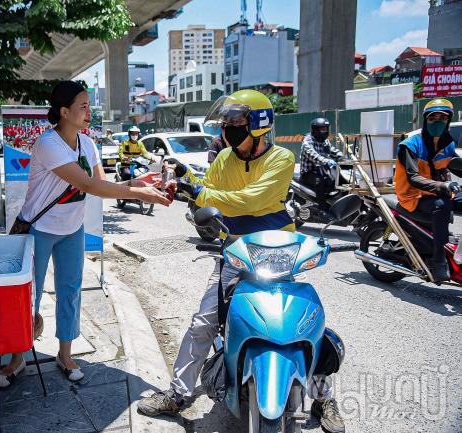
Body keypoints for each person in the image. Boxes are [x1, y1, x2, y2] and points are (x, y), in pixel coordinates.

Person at [137, 90, 346, 433]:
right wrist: (185, 179)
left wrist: (199, 192)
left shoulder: (281, 158)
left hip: (281, 256)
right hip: (234, 251)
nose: (230, 128)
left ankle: (324, 399)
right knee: (203, 322)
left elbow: (252, 199)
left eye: (237, 122)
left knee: (308, 325)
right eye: (227, 122)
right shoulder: (223, 160)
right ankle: (177, 394)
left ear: (259, 124)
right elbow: (210, 193)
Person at [0, 81, 170, 387]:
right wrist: (137, 192)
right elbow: (89, 186)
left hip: (71, 230)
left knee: (70, 291)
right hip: (39, 229)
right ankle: (17, 356)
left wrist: (137, 183)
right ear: (64, 112)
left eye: (90, 105)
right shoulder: (48, 145)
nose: (89, 112)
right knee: (28, 295)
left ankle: (65, 354)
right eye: (83, 106)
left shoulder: (87, 144)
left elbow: (100, 184)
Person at [395, 98, 461, 282]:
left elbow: (454, 165)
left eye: (442, 117)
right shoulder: (410, 145)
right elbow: (413, 177)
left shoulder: (448, 144)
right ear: (426, 120)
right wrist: (443, 186)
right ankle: (438, 260)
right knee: (443, 206)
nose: (437, 121)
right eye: (433, 118)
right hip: (413, 196)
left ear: (448, 120)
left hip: (436, 192)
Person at [299, 118, 343, 207]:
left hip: (321, 172)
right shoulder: (307, 141)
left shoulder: (324, 141)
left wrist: (343, 156)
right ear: (315, 129)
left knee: (337, 181)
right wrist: (327, 161)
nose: (325, 131)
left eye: (326, 129)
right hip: (308, 173)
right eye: (322, 129)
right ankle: (322, 208)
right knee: (320, 182)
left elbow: (332, 150)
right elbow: (313, 156)